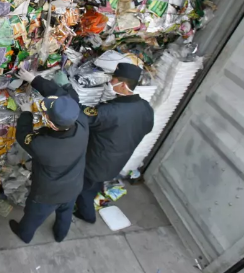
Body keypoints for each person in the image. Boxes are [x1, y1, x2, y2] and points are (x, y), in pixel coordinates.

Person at [9, 67, 89, 244]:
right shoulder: (81, 121)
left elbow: (23, 135)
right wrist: (34, 79)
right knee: (65, 213)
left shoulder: (43, 146)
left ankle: (24, 234)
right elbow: (61, 95)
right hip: (74, 186)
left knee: (33, 216)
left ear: (51, 125)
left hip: (47, 194)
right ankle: (60, 235)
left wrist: (26, 113)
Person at [75, 62, 154, 224]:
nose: (110, 83)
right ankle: (95, 192)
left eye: (113, 80)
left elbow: (83, 117)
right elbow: (147, 128)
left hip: (96, 161)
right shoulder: (145, 107)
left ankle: (87, 215)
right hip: (118, 159)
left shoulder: (109, 112)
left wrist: (68, 95)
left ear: (123, 85)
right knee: (95, 184)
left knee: (83, 189)